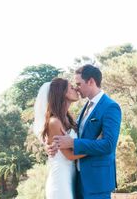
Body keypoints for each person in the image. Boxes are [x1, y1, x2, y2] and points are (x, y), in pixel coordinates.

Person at [52, 64, 122, 199]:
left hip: (97, 182)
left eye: (79, 84)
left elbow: (108, 145)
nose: (76, 88)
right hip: (78, 180)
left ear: (90, 81)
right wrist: (54, 145)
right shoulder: (85, 107)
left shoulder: (111, 107)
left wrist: (73, 143)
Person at [33, 77, 85, 199]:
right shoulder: (54, 122)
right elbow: (70, 155)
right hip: (60, 180)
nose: (76, 89)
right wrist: (97, 145)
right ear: (63, 93)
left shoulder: (68, 119)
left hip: (71, 177)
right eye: (71, 87)